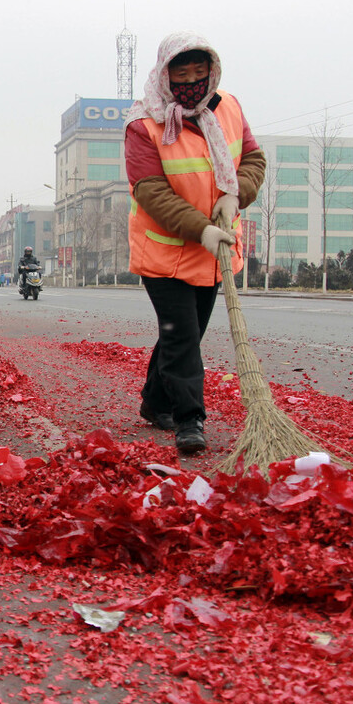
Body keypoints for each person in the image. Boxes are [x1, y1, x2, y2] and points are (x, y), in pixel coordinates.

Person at [124, 31, 266, 454]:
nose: (191, 80)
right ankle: (190, 418)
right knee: (183, 335)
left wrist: (234, 194)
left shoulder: (229, 109)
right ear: (165, 75)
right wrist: (201, 228)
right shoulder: (142, 123)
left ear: (212, 71)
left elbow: (254, 159)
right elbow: (150, 191)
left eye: (199, 71)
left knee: (185, 333)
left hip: (212, 253)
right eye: (181, 72)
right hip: (164, 250)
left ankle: (154, 401)